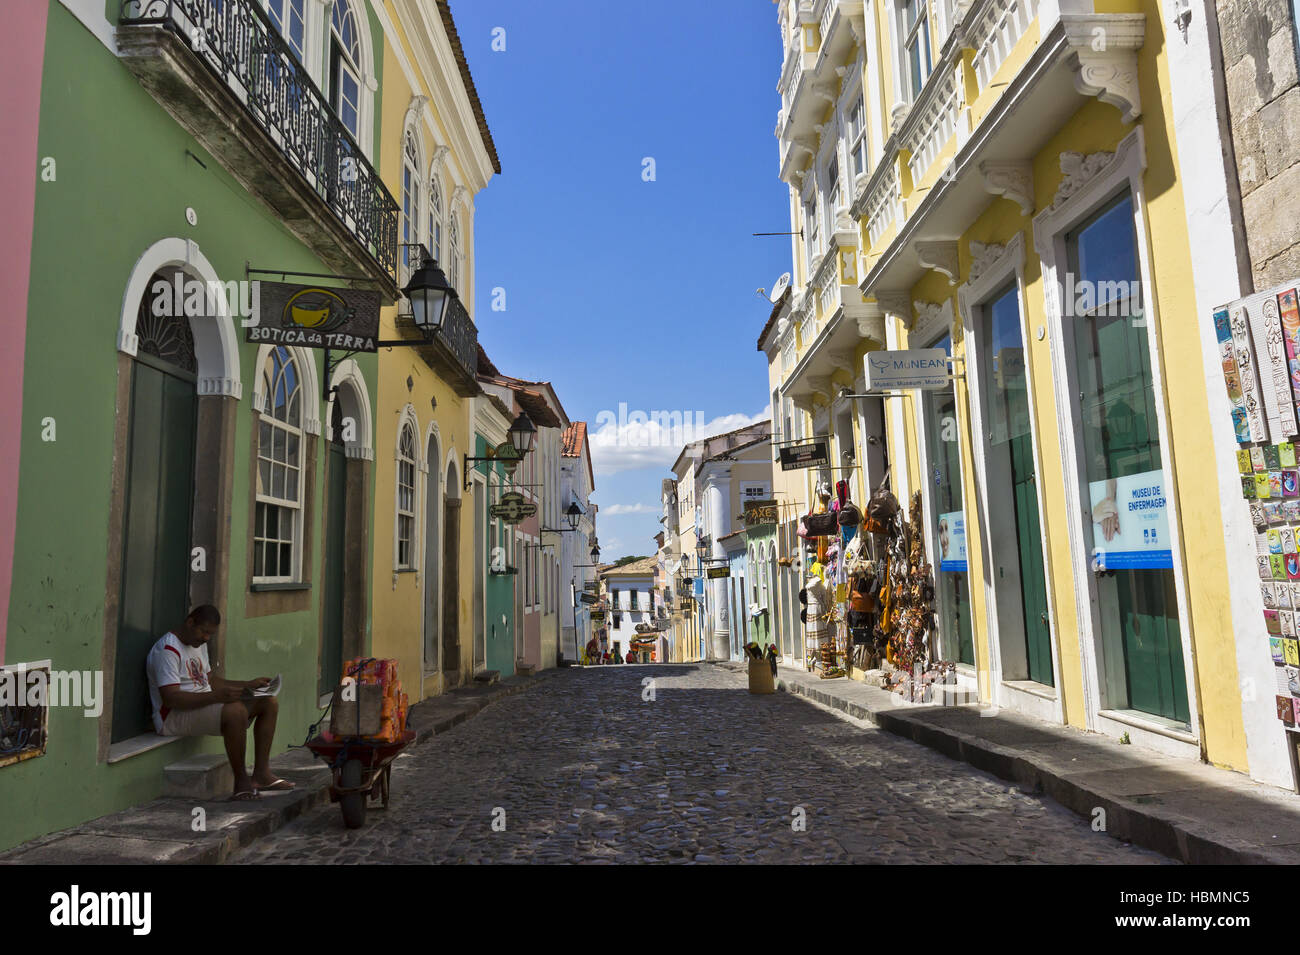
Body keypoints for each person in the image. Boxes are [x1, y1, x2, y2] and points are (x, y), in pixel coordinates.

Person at [146, 605, 293, 801]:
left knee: (268, 702)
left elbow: (209, 682)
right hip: (173, 717)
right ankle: (241, 783)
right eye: (204, 631)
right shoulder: (167, 650)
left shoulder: (199, 645)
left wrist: (247, 685)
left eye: (211, 634)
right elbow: (171, 698)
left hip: (202, 705)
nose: (206, 638)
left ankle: (262, 774)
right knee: (235, 711)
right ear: (190, 622)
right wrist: (216, 697)